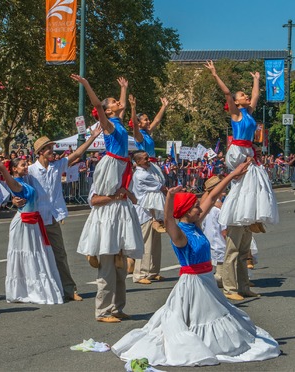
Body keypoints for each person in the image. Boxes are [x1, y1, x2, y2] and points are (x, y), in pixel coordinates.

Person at [111, 160, 280, 366]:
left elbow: (213, 195)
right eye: (194, 208)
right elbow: (169, 220)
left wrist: (233, 173)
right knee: (200, 318)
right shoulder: (180, 235)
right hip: (193, 284)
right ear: (184, 211)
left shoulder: (196, 224)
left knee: (213, 317)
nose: (199, 209)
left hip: (206, 279)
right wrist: (170, 198)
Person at [71, 75, 143, 322]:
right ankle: (103, 310)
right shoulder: (109, 125)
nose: (117, 103)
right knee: (109, 266)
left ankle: (117, 307)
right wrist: (86, 84)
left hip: (121, 171)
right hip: (113, 164)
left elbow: (117, 108)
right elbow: (100, 106)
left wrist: (124, 88)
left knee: (121, 265)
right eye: (113, 102)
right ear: (107, 110)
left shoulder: (118, 122)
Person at [205, 60, 278, 300]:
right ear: (236, 102)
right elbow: (226, 92)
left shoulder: (247, 112)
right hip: (238, 149)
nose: (247, 96)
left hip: (247, 150)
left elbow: (255, 97)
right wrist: (215, 73)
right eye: (243, 94)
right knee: (234, 248)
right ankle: (230, 287)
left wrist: (257, 80)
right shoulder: (236, 114)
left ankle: (244, 287)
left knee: (244, 248)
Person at [14, 115, 102, 302]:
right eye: (47, 149)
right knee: (37, 256)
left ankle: (69, 290)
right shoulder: (30, 171)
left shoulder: (56, 166)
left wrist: (92, 137)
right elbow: (19, 188)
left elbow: (77, 155)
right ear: (40, 152)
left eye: (51, 148)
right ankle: (42, 289)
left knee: (59, 254)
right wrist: (15, 200)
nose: (51, 151)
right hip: (35, 218)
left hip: (52, 217)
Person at [0, 133, 64, 304]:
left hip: (33, 222)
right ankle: (26, 289)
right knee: (27, 255)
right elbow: (1, 166)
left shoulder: (26, 180)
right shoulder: (15, 182)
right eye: (22, 165)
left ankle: (31, 288)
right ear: (14, 169)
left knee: (35, 255)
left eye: (26, 164)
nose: (26, 166)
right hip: (23, 222)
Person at [131, 150, 167, 285]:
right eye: (145, 159)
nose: (148, 160)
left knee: (156, 242)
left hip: (154, 211)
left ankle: (153, 271)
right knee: (146, 243)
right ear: (138, 161)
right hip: (145, 212)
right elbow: (161, 186)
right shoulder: (141, 175)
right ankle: (140, 273)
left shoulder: (149, 170)